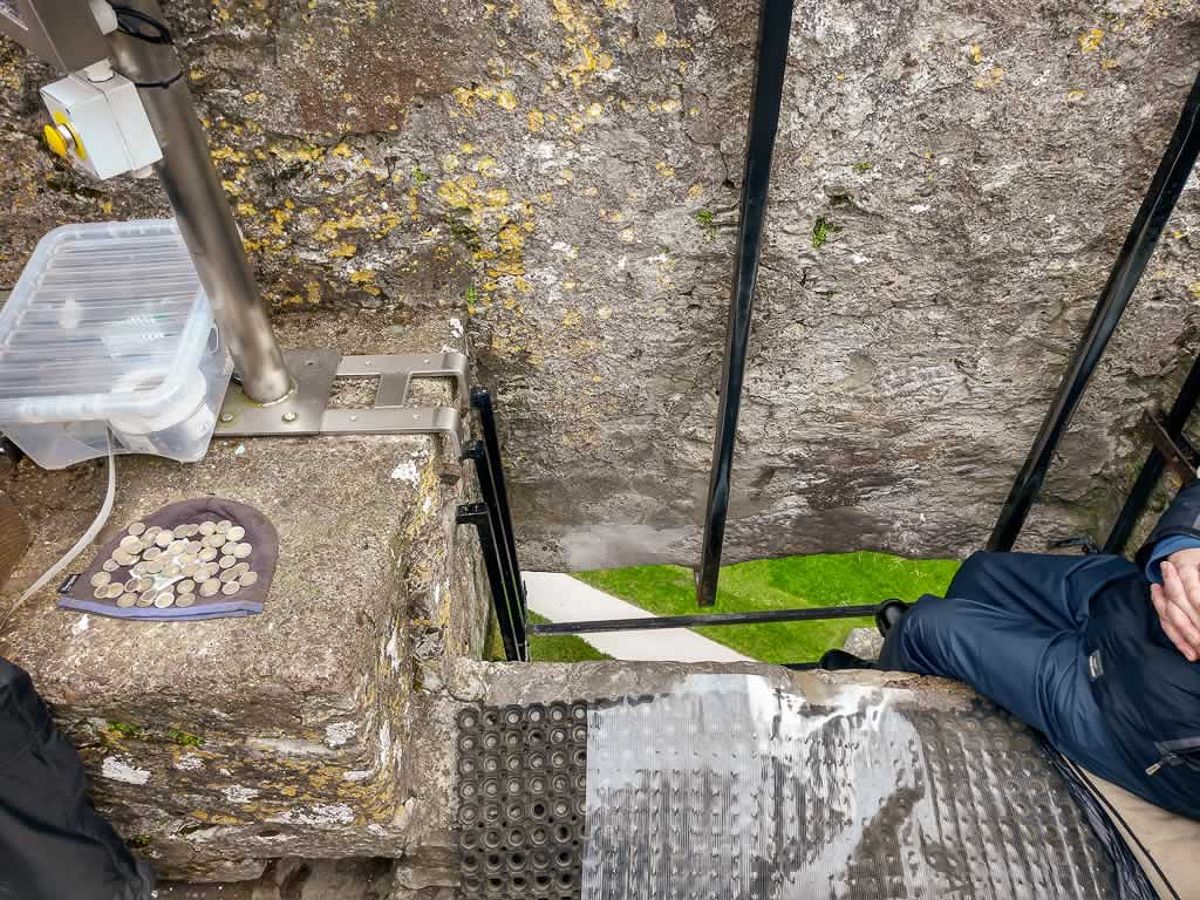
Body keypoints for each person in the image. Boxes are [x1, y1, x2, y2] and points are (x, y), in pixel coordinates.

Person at [860, 482, 1200, 821]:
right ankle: (912, 674)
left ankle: (867, 727)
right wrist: (1185, 546)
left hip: (1145, 712)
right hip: (1132, 606)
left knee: (926, 628)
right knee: (981, 574)